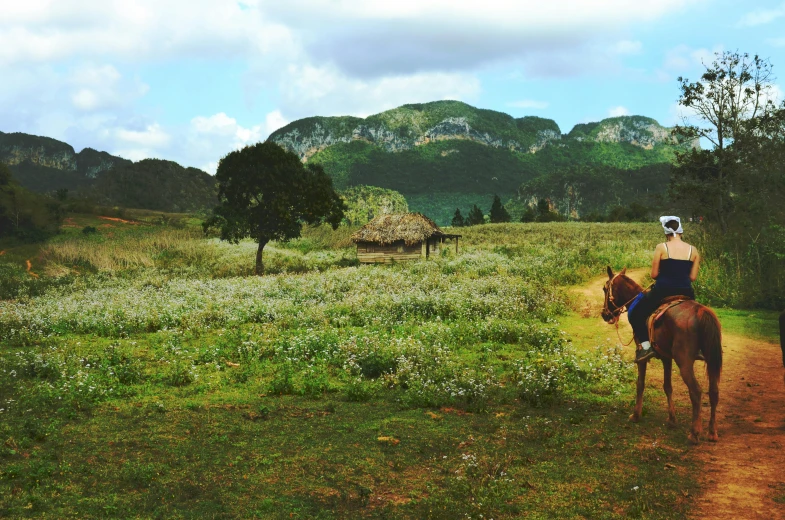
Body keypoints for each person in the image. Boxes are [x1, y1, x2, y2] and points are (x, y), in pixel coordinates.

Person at [628, 216, 701, 363]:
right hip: (686, 292)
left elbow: (654, 275)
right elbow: (693, 277)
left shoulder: (662, 247)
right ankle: (699, 347)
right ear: (681, 231)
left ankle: (646, 347)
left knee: (635, 313)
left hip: (663, 291)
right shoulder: (693, 250)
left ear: (666, 233)